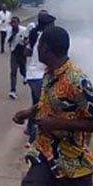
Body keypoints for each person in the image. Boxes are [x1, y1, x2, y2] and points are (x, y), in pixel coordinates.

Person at [13, 26, 93, 186]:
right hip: (43, 156)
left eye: (39, 45)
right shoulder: (50, 73)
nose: (36, 47)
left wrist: (58, 124)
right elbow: (52, 102)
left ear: (46, 48)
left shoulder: (77, 81)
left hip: (72, 163)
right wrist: (30, 111)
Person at [24, 10, 56, 142]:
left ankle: (30, 129)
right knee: (42, 107)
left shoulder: (37, 35)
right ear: (47, 25)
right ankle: (33, 138)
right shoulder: (45, 39)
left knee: (37, 104)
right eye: (52, 24)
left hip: (33, 74)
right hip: (38, 75)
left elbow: (27, 51)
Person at [8, 16, 28, 100]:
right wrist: (13, 35)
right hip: (14, 53)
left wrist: (25, 42)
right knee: (13, 72)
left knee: (22, 69)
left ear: (18, 23)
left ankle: (25, 76)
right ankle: (13, 90)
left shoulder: (24, 30)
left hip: (22, 52)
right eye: (12, 22)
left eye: (15, 22)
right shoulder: (10, 31)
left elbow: (28, 40)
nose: (13, 24)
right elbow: (8, 42)